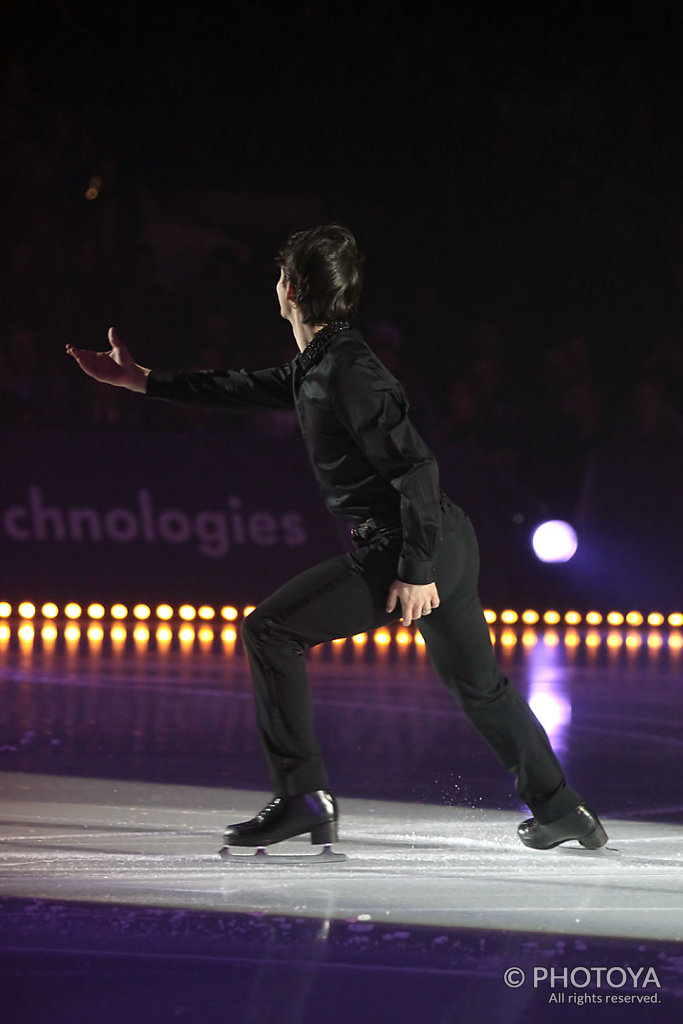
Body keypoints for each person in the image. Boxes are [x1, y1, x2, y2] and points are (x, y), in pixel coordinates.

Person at [66, 223, 607, 854]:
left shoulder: (349, 371)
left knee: (270, 631)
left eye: (278, 277)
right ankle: (561, 807)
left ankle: (302, 795)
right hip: (439, 541)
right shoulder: (318, 366)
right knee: (481, 687)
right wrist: (143, 380)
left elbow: (417, 468)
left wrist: (415, 567)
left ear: (289, 289)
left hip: (413, 543)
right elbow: (239, 386)